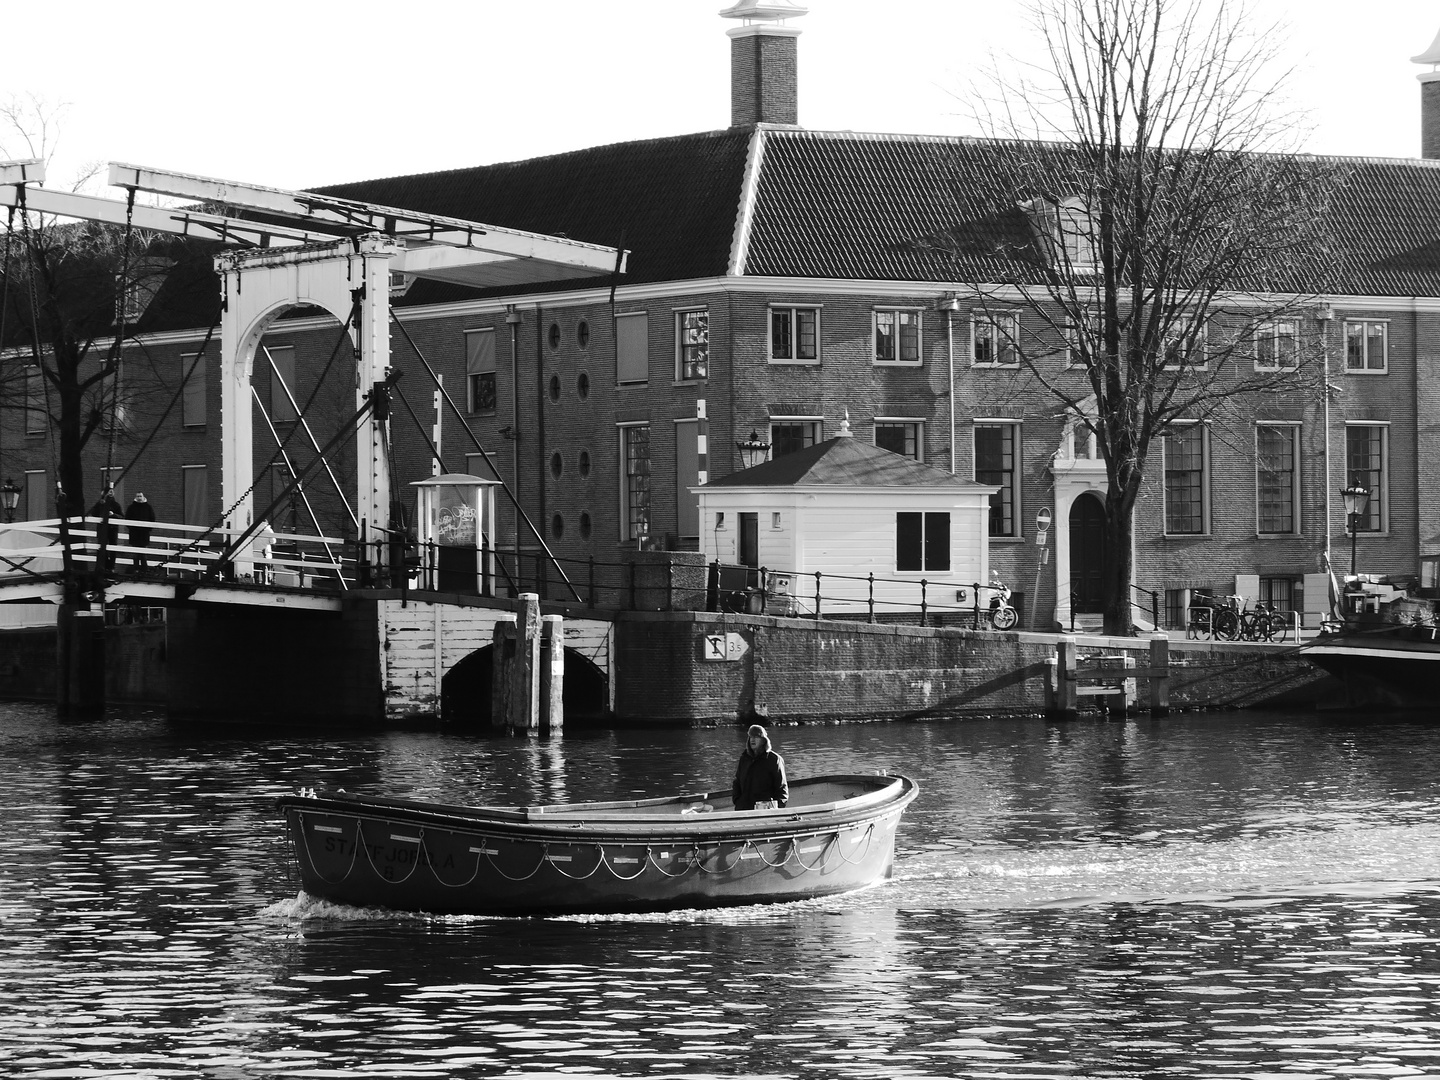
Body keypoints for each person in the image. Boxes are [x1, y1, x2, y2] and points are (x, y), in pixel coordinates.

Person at [733, 724, 788, 811]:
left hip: (765, 811)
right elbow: (737, 782)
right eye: (751, 737)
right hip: (743, 809)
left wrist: (776, 810)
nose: (753, 740)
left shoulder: (774, 760)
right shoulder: (744, 758)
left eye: (756, 737)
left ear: (763, 740)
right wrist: (737, 800)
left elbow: (782, 789)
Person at [90, 487, 123, 572]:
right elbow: (93, 513)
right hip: (102, 529)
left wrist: (113, 514)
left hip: (112, 529)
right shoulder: (100, 504)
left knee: (112, 548)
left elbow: (121, 516)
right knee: (102, 548)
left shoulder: (116, 505)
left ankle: (111, 566)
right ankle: (104, 566)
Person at [125, 493, 156, 569]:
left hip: (144, 534)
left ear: (143, 497)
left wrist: (148, 529)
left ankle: (144, 569)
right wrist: (132, 528)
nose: (139, 498)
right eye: (138, 496)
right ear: (135, 497)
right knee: (135, 553)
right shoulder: (131, 508)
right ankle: (136, 568)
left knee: (143, 552)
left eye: (140, 496)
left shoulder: (148, 507)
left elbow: (152, 519)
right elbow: (127, 519)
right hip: (134, 533)